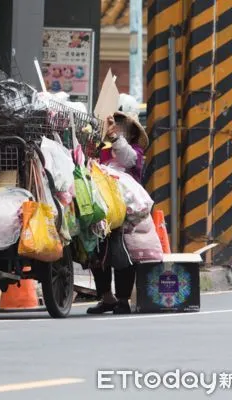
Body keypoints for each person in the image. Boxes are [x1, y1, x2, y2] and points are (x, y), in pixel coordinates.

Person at [86, 94, 149, 315]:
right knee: (97, 253)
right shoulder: (101, 148)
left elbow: (128, 160)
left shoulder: (134, 152)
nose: (118, 127)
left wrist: (115, 138)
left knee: (121, 254)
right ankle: (106, 297)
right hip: (101, 209)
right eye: (115, 122)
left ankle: (123, 299)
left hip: (123, 213)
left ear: (132, 130)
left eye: (123, 124)